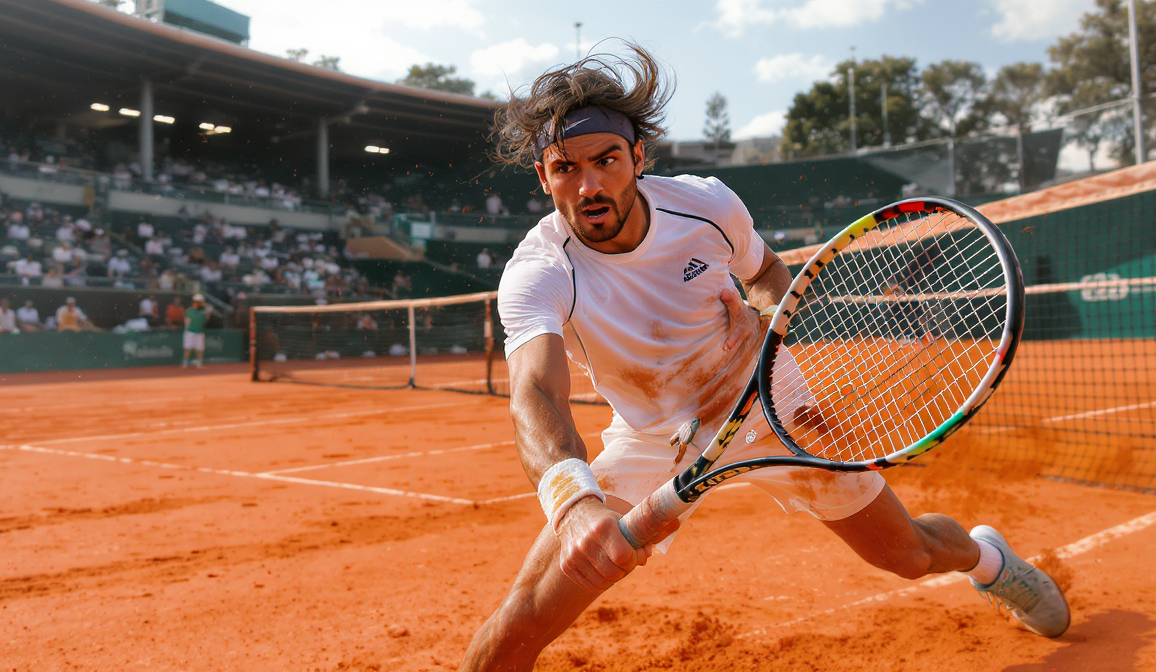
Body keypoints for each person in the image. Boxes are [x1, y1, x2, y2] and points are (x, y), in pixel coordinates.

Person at [458, 49, 1069, 671]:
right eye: (566, 168)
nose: (588, 185)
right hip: (650, 435)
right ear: (543, 176)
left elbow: (769, 272)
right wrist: (574, 503)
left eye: (606, 160)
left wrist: (768, 320)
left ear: (638, 158)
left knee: (907, 555)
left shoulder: (707, 207)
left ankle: (987, 561)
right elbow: (534, 393)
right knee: (522, 623)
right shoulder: (538, 270)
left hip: (770, 406)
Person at [182, 294, 208, 368]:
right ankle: (185, 362)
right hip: (190, 332)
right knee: (188, 348)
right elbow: (187, 321)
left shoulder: (204, 311)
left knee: (200, 349)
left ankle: (199, 362)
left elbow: (206, 319)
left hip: (199, 332)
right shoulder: (190, 311)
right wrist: (187, 330)